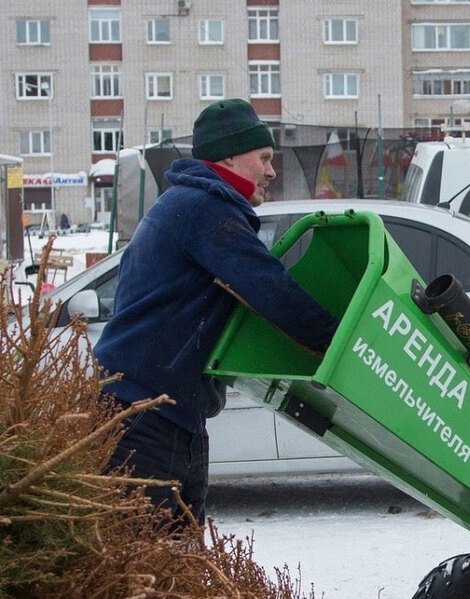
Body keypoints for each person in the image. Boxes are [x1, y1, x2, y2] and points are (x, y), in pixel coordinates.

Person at [95, 99, 340, 526]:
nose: (271, 171)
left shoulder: (189, 205)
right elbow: (270, 290)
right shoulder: (204, 209)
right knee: (147, 571)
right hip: (145, 418)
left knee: (177, 568)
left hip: (167, 415)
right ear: (229, 156)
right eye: (264, 158)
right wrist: (344, 342)